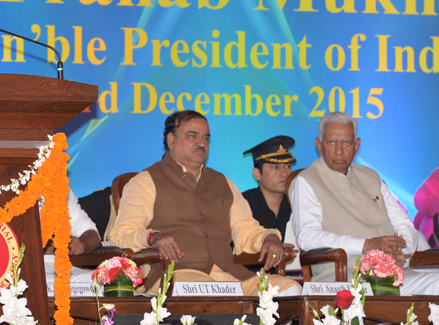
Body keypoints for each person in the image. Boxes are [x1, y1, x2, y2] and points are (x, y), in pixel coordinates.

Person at [110, 110, 300, 296]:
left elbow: (246, 230)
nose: (202, 143)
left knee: (290, 289)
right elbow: (121, 234)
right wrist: (152, 237)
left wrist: (269, 237)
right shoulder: (146, 181)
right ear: (171, 140)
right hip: (178, 277)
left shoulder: (223, 182)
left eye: (206, 138)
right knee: (212, 295)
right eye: (193, 136)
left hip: (230, 277)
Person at [291, 111, 439, 294]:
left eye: (346, 143)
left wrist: (401, 252)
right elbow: (307, 237)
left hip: (395, 274)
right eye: (331, 142)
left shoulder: (372, 177)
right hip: (346, 278)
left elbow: (404, 224)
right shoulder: (306, 180)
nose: (339, 150)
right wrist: (366, 245)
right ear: (319, 145)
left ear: (356, 146)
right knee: (380, 290)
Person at [242, 136, 296, 240]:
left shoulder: (296, 205)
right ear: (257, 174)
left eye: (288, 166)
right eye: (275, 167)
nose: (284, 173)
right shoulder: (242, 204)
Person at [44, 190, 101, 284]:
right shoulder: (14, 189)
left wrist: (80, 244)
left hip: (64, 266)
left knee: (102, 281)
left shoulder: (60, 188)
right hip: (22, 269)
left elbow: (90, 232)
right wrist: (36, 247)